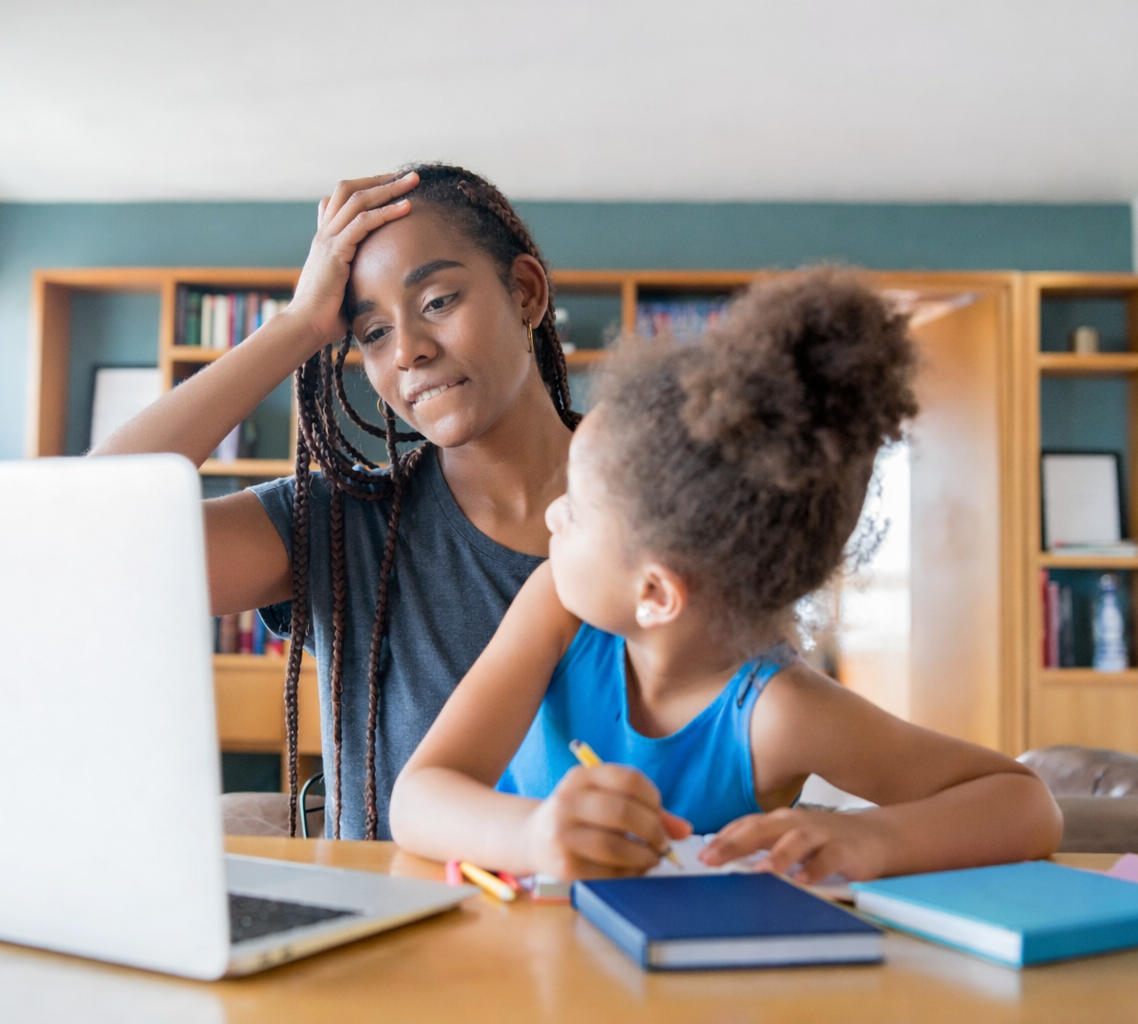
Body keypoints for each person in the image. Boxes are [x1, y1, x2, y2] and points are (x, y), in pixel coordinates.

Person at [390, 270, 1064, 881]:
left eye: (580, 507)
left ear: (655, 593)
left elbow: (1026, 804)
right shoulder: (556, 613)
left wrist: (870, 837)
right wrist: (534, 836)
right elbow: (419, 798)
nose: (555, 513)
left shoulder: (780, 713)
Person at [93, 166, 579, 839]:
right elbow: (93, 528)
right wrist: (295, 327)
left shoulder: (662, 501)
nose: (409, 349)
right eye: (372, 332)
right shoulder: (340, 519)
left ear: (525, 292)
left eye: (438, 300)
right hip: (395, 932)